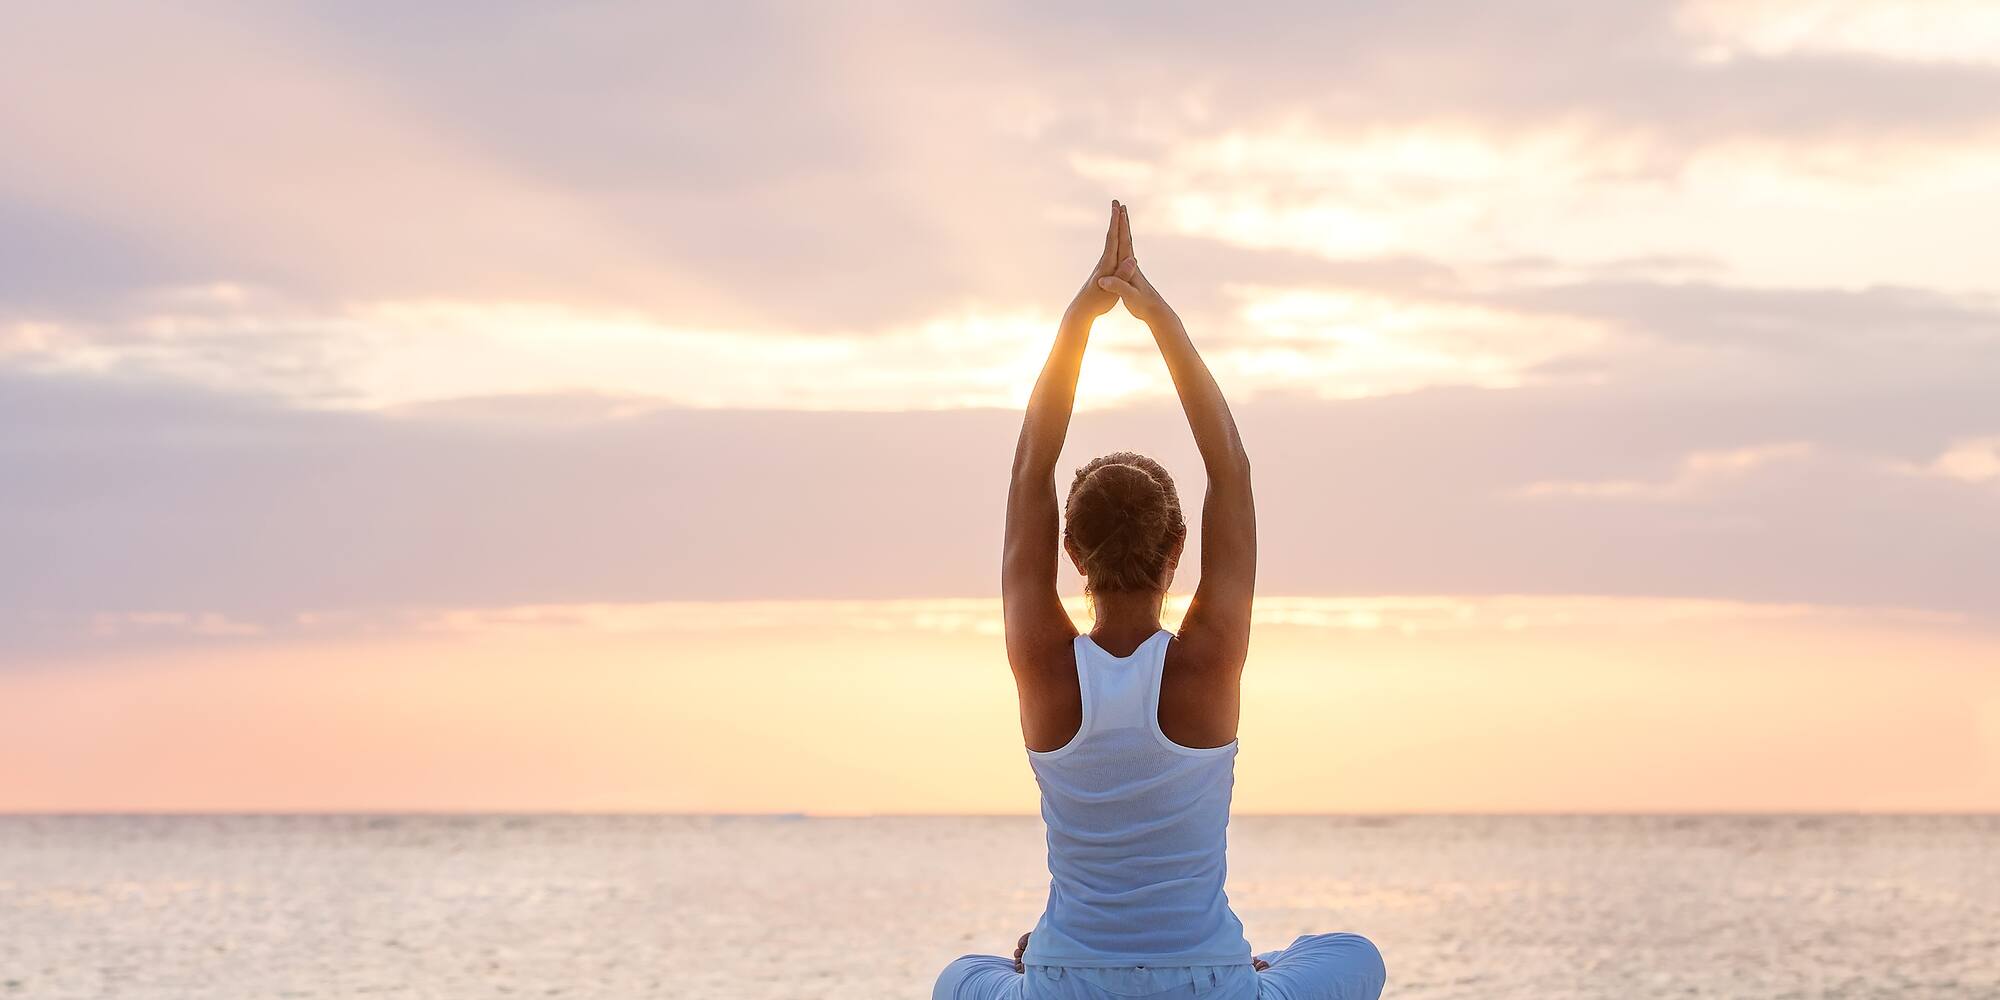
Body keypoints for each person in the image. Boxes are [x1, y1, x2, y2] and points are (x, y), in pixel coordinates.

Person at [932, 202, 1387, 1000]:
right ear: (1179, 549)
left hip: (1064, 983)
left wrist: (1081, 318)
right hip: (1207, 985)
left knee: (959, 977)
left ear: (1070, 555)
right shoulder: (1208, 662)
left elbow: (1027, 473)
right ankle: (1258, 969)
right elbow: (1232, 470)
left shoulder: (1044, 665)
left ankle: (1031, 963)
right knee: (1353, 954)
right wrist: (1154, 313)